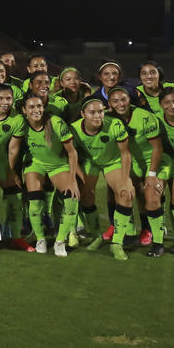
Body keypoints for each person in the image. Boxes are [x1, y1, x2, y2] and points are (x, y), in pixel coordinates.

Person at [7, 95, 81, 257]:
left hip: (57, 164)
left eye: (39, 106)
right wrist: (14, 173)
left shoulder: (56, 123)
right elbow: (13, 149)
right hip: (35, 163)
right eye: (32, 107)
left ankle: (60, 241)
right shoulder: (22, 124)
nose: (36, 110)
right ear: (24, 110)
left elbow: (71, 152)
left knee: (72, 198)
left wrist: (72, 179)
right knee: (34, 199)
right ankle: (40, 238)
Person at [106, 86, 168, 255]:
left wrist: (152, 175)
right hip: (130, 162)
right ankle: (129, 233)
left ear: (129, 99)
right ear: (109, 104)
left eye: (123, 99)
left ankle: (158, 243)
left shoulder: (145, 117)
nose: (121, 104)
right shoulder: (108, 119)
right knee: (123, 191)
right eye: (115, 101)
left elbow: (157, 148)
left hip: (154, 161)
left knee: (151, 196)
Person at [72, 96, 134, 261]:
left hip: (112, 162)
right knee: (86, 194)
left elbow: (125, 154)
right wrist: (78, 178)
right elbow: (71, 156)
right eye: (92, 112)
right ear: (83, 113)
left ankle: (117, 243)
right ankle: (97, 236)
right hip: (90, 163)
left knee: (125, 193)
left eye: (100, 111)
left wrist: (126, 179)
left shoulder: (114, 124)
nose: (97, 116)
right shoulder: (73, 129)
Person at [0, 83, 34, 252]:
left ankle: (16, 237)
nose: (5, 102)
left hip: (3, 163)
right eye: (0, 98)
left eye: (8, 98)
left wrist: (10, 173)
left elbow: (13, 149)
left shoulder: (18, 120)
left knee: (14, 197)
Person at [156, 87, 174, 253]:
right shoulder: (156, 120)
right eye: (168, 102)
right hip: (165, 160)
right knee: (154, 193)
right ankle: (157, 241)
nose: (173, 105)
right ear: (161, 105)